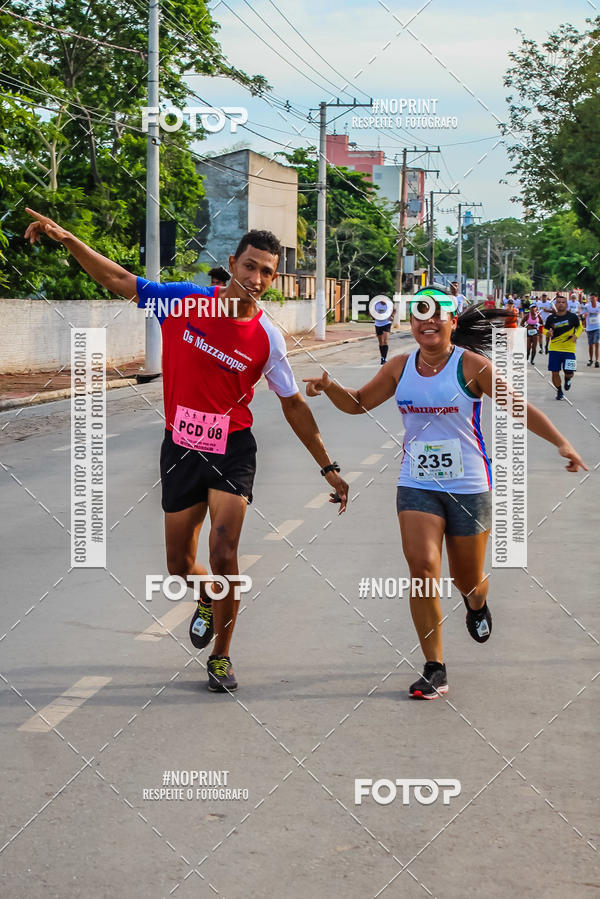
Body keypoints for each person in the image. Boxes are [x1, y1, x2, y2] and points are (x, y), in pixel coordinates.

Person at [24, 208, 349, 694]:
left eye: (267, 271)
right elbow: (119, 279)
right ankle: (205, 599)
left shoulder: (268, 337)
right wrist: (69, 237)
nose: (257, 278)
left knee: (223, 552)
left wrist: (329, 466)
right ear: (233, 264)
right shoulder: (185, 302)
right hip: (180, 448)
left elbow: (294, 404)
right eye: (250, 266)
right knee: (180, 562)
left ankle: (221, 656)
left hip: (233, 450)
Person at [304, 286, 587, 700]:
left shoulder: (471, 365)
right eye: (421, 315)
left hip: (469, 485)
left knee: (467, 580)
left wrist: (561, 442)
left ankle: (476, 604)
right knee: (422, 571)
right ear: (412, 324)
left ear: (452, 322)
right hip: (417, 483)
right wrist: (330, 387)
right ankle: (434, 666)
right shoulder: (400, 366)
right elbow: (360, 402)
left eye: (438, 315)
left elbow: (518, 406)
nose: (428, 322)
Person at [545, 295, 583, 400]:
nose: (561, 304)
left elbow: (580, 327)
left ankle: (567, 379)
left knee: (569, 373)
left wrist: (576, 335)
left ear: (566, 304)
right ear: (555, 304)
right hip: (554, 350)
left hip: (569, 350)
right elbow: (544, 329)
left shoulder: (573, 317)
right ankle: (559, 391)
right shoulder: (551, 318)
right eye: (558, 302)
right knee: (555, 372)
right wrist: (547, 333)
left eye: (563, 302)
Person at [372, 297, 393, 365]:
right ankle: (382, 357)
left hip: (386, 323)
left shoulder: (389, 304)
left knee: (385, 341)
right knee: (381, 342)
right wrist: (373, 316)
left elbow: (394, 309)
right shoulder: (376, 304)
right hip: (378, 324)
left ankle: (385, 358)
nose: (383, 302)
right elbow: (371, 311)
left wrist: (392, 316)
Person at [583, 293, 600, 367]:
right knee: (590, 345)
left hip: (598, 327)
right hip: (589, 328)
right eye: (591, 298)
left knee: (597, 343)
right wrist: (584, 316)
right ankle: (590, 359)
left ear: (596, 298)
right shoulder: (587, 306)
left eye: (593, 298)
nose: (592, 299)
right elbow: (583, 314)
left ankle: (597, 361)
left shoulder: (599, 306)